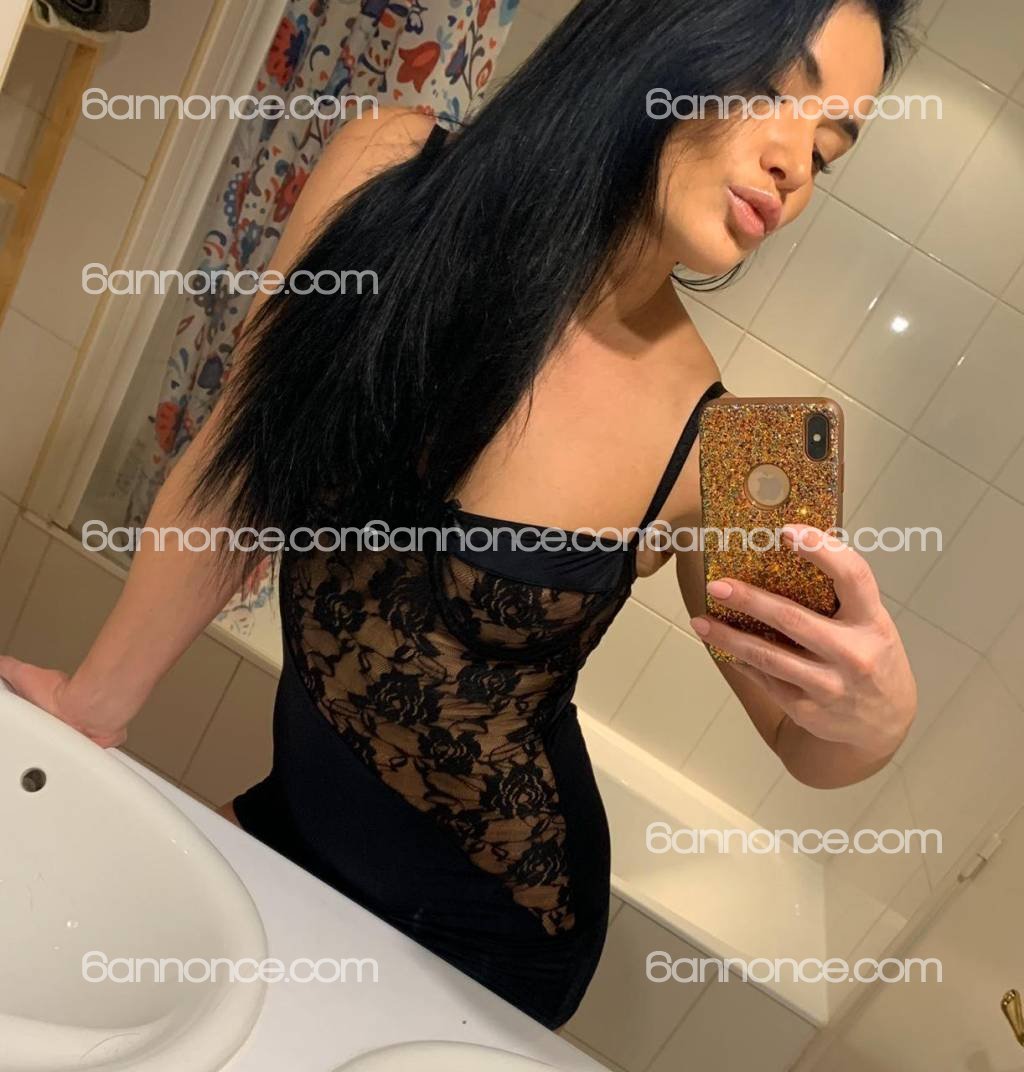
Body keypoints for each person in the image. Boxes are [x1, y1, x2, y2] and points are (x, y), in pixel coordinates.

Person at [0, 0, 918, 1030]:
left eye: (826, 150)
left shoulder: (744, 448)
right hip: (292, 822)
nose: (795, 169)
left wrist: (876, 725)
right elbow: (236, 463)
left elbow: (804, 736)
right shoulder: (386, 172)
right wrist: (95, 705)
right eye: (775, 92)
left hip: (487, 943)